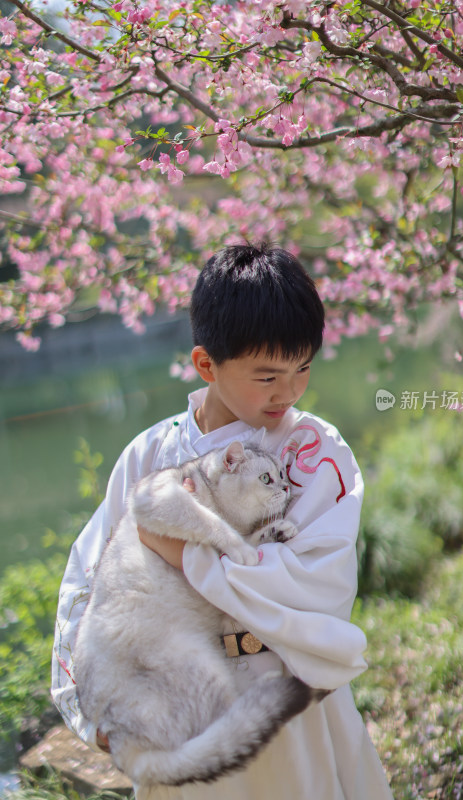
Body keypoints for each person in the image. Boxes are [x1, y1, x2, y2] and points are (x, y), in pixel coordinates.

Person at [51, 243, 394, 800]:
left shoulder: (316, 453)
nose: (289, 392)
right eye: (267, 376)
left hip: (283, 711)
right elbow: (89, 588)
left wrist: (182, 553)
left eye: (302, 367)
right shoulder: (149, 454)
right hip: (174, 711)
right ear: (206, 363)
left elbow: (319, 585)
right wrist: (99, 718)